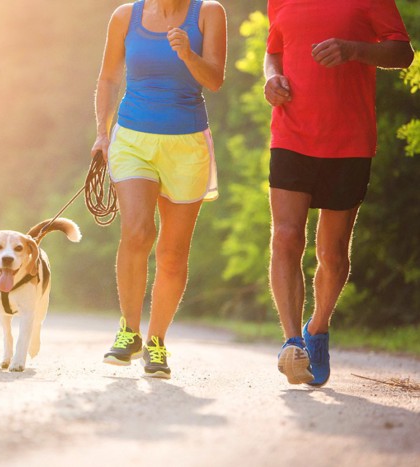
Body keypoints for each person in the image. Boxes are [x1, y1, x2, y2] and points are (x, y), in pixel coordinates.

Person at [264, 0, 414, 386]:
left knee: (332, 254)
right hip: (291, 132)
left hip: (349, 140)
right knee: (285, 237)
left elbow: (403, 53)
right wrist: (271, 78)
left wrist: (354, 49)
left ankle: (318, 328)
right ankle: (292, 343)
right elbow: (274, 52)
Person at [91, 0, 227, 379]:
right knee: (137, 231)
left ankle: (156, 341)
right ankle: (128, 331)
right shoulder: (124, 17)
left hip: (187, 145)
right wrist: (102, 132)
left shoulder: (208, 13)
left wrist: (187, 53)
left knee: (172, 251)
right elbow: (108, 78)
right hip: (133, 137)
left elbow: (214, 79)